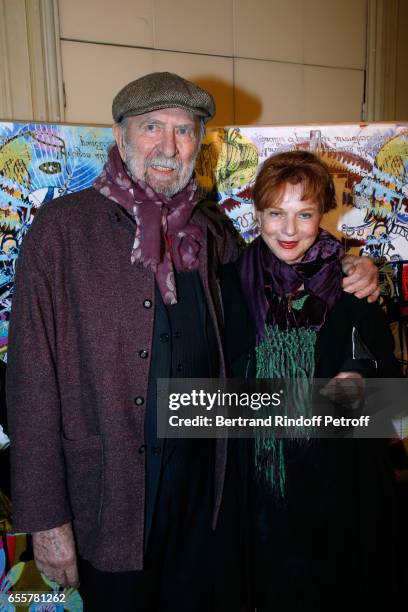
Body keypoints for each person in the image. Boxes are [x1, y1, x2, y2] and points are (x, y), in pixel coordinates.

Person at [6, 73, 379, 611]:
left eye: (184, 131)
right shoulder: (63, 231)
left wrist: (355, 266)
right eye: (151, 127)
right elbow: (30, 383)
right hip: (110, 501)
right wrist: (46, 520)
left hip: (210, 502)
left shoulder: (210, 232)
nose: (168, 145)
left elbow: (284, 265)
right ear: (120, 134)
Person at [237, 150, 402, 611]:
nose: (289, 231)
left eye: (304, 214)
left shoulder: (354, 289)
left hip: (341, 496)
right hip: (258, 498)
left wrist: (364, 394)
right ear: (258, 213)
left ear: (322, 214)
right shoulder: (229, 285)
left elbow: (396, 409)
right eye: (276, 214)